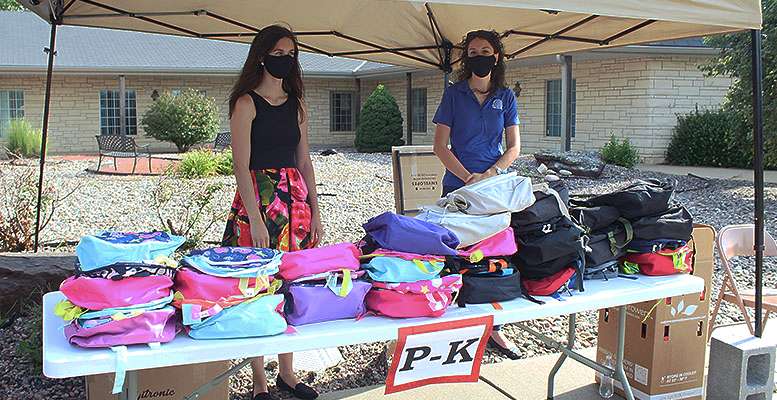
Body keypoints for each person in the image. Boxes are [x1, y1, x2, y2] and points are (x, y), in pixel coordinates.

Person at [223, 25, 322, 400]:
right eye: (278, 52)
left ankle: (287, 374)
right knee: (256, 289)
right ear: (261, 55)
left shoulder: (297, 104)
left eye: (291, 53)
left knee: (290, 283)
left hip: (295, 205)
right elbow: (240, 166)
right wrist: (256, 218)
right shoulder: (245, 103)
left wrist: (316, 209)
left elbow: (305, 161)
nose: (285, 59)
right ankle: (259, 381)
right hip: (259, 205)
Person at [432, 29, 522, 360]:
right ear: (466, 58)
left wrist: (491, 174)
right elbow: (440, 147)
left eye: (485, 50)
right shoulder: (453, 95)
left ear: (496, 57)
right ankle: (454, 327)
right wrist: (468, 177)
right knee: (455, 254)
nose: (479, 55)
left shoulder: (506, 97)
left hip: (493, 190)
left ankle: (494, 328)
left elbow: (514, 147)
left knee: (495, 255)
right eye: (472, 51)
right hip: (458, 188)